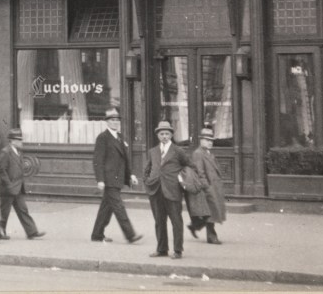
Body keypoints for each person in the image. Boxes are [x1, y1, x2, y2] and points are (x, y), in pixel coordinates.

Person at [91, 107, 142, 244]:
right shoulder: (103, 138)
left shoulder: (120, 137)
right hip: (109, 179)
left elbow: (125, 158)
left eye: (117, 120)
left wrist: (130, 175)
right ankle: (130, 234)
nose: (115, 123)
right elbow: (98, 160)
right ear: (107, 122)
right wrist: (100, 179)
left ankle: (97, 234)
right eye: (112, 120)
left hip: (118, 178)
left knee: (106, 208)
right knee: (118, 206)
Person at [143, 119, 190, 259]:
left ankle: (177, 250)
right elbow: (147, 169)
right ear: (158, 135)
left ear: (171, 135)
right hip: (156, 191)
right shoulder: (153, 151)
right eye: (162, 133)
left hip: (173, 191)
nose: (164, 136)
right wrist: (148, 182)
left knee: (176, 221)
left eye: (167, 134)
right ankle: (162, 249)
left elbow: (188, 166)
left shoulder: (178, 151)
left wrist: (181, 181)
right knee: (159, 221)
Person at [0, 128, 44, 240]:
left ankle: (32, 232)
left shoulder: (18, 152)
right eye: (19, 140)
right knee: (4, 212)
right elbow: (1, 170)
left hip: (18, 187)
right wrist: (8, 184)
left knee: (23, 209)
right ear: (12, 141)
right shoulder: (5, 152)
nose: (21, 142)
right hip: (8, 188)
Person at [186, 126, 225, 244]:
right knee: (211, 212)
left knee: (211, 212)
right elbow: (200, 171)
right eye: (207, 140)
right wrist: (206, 187)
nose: (210, 142)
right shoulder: (198, 153)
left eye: (211, 140)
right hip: (207, 187)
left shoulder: (207, 153)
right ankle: (211, 236)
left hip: (213, 186)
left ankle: (195, 226)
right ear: (201, 140)